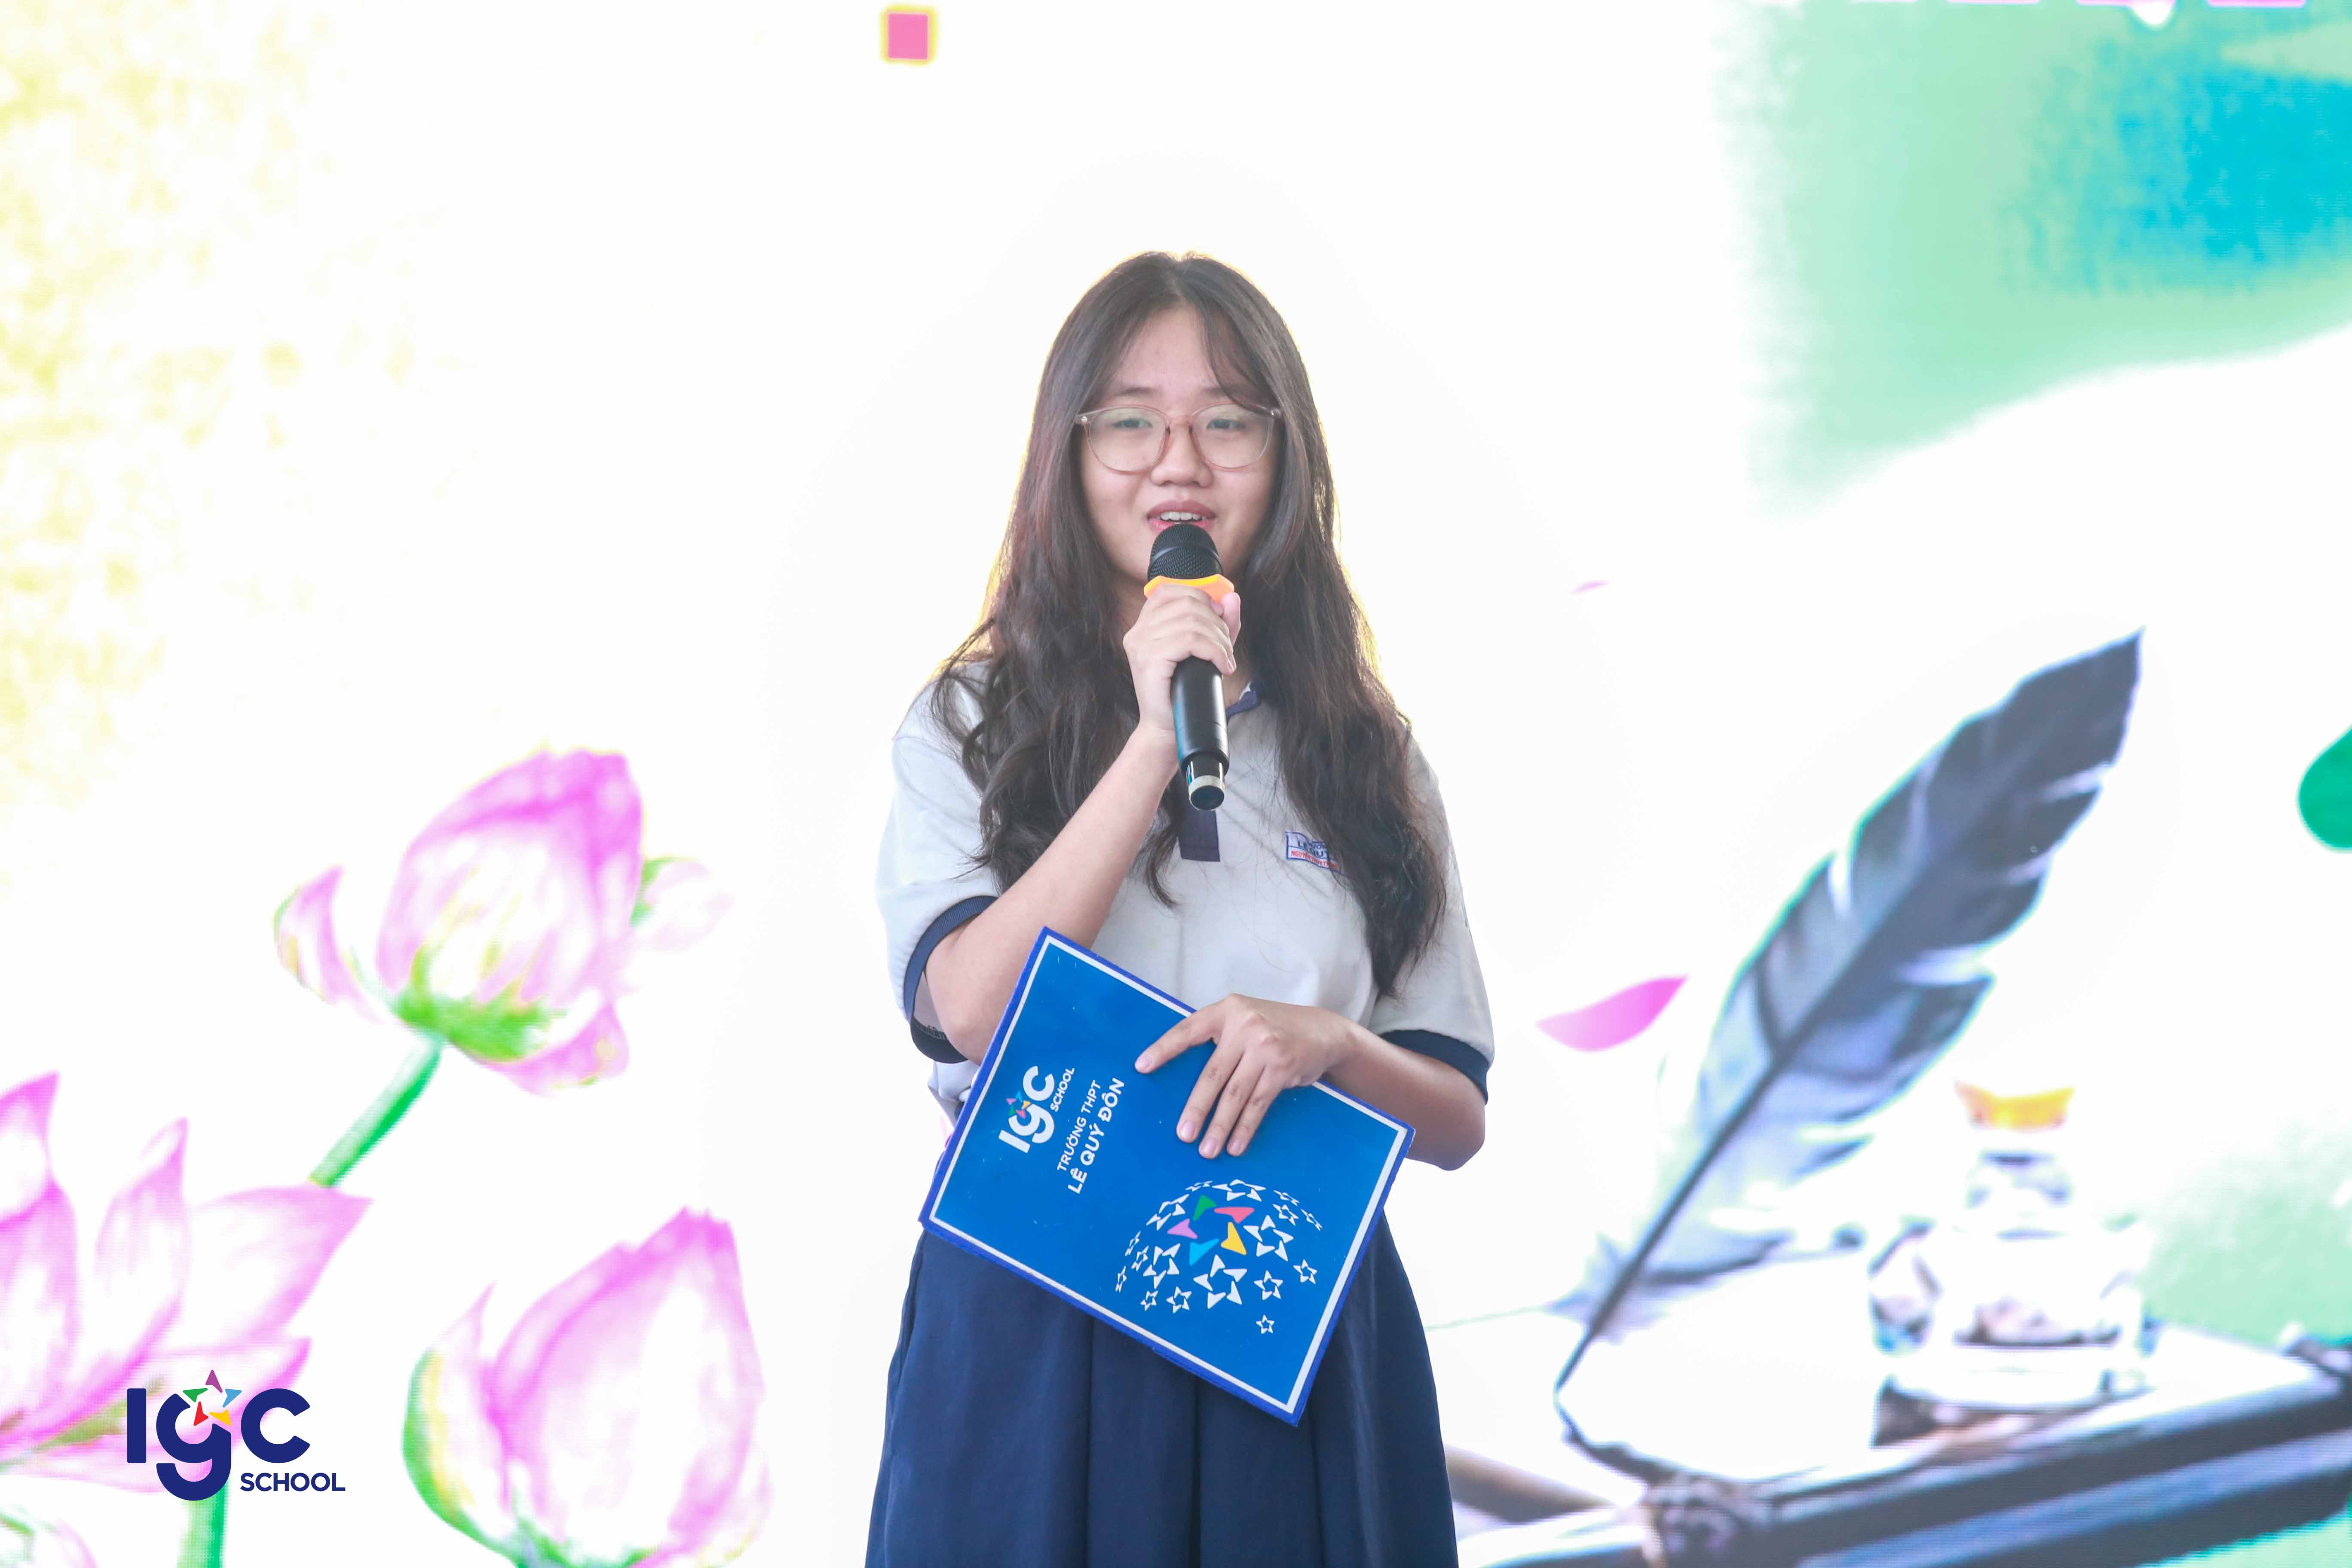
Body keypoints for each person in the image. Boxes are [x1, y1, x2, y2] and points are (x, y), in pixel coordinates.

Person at [869, 251, 1494, 1568]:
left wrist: (1332, 1046)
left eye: (1226, 422)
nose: (1179, 464)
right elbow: (968, 1012)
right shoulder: (968, 721)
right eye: (1131, 422)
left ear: (1285, 454)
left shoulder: (1368, 752)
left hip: (1296, 1320)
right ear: (1069, 451)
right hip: (1038, 1319)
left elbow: (1454, 1116)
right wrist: (1154, 737)